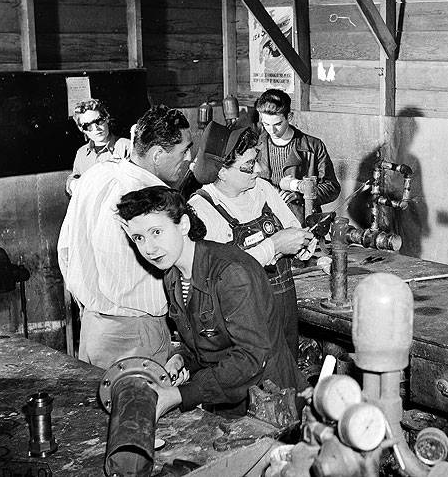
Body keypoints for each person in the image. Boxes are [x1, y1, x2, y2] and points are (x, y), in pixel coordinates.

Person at [116, 186, 306, 418]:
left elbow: (251, 358)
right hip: (225, 400)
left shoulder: (231, 274)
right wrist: (181, 360)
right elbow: (205, 344)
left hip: (269, 403)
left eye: (156, 232)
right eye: (139, 238)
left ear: (183, 225)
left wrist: (180, 395)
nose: (148, 248)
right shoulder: (173, 275)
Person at [57, 105, 193, 369]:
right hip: (139, 335)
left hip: (94, 330)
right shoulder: (154, 200)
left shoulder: (94, 175)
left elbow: (65, 250)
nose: (189, 158)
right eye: (184, 150)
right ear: (156, 155)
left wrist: (91, 305)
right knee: (143, 407)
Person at [187, 122, 312, 358]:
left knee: (288, 374)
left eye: (256, 160)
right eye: (249, 165)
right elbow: (218, 276)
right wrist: (274, 246)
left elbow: (293, 229)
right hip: (242, 318)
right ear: (222, 172)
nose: (259, 169)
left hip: (283, 306)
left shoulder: (262, 189)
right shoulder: (201, 209)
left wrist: (303, 243)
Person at [254, 89, 340, 225]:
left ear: (290, 117)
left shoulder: (313, 146)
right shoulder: (255, 145)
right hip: (265, 222)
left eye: (277, 124)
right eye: (266, 124)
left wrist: (302, 196)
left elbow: (332, 187)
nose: (271, 130)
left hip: (301, 221)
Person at [66, 99, 131, 196]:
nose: (96, 128)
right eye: (88, 126)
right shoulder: (82, 153)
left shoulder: (126, 146)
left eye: (99, 121)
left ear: (107, 119)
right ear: (81, 129)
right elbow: (74, 176)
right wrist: (72, 184)